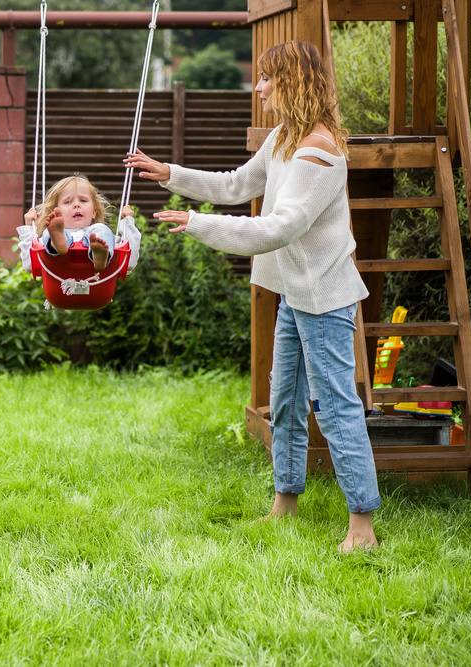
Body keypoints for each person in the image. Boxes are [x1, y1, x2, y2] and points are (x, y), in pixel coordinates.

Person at [124, 41, 380, 553]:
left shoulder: (318, 151)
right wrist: (170, 174)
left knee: (333, 406)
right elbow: (239, 183)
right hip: (293, 291)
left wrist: (197, 225)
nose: (258, 86)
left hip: (325, 297)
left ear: (293, 81)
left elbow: (277, 229)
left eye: (267, 78)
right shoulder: (285, 138)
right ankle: (285, 502)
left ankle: (363, 525)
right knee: (283, 399)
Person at [17, 174, 140, 274]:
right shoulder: (51, 231)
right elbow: (29, 265)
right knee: (47, 233)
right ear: (56, 211)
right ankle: (58, 243)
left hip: (99, 286)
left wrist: (128, 222)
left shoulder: (99, 234)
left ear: (94, 212)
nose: (77, 205)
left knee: (101, 229)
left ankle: (100, 256)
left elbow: (129, 262)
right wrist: (30, 228)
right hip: (59, 286)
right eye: (68, 201)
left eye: (83, 200)